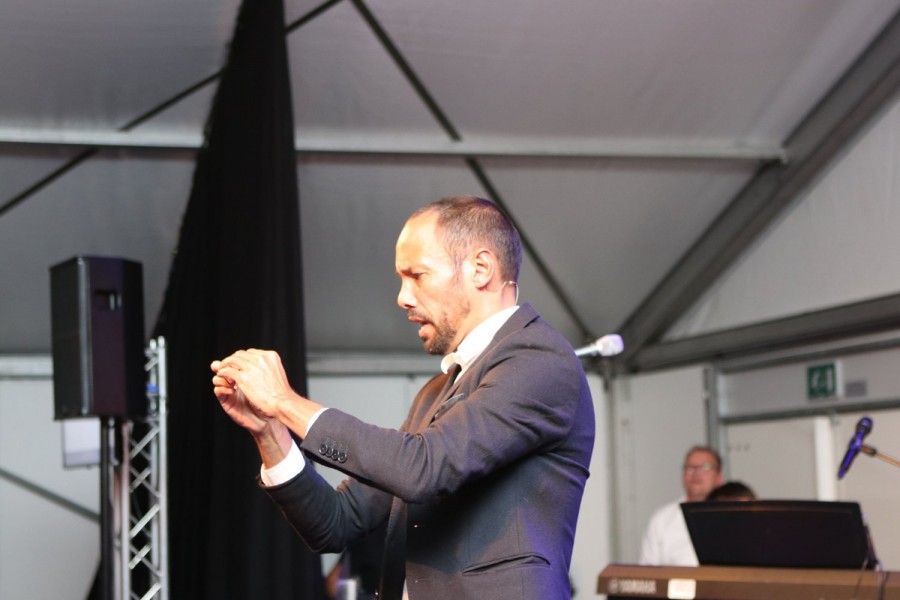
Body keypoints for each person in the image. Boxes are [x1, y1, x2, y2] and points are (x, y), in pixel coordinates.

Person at [210, 195, 595, 600]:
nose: (402, 297)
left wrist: (285, 401)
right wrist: (271, 431)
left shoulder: (539, 358)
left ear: (481, 268)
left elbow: (423, 468)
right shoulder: (436, 392)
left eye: (417, 275)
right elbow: (335, 522)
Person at [638, 445, 724, 566]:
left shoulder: (731, 516)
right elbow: (647, 569)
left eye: (705, 468)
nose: (696, 474)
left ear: (719, 477)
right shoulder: (662, 518)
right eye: (690, 468)